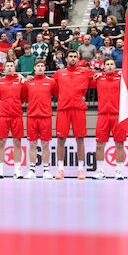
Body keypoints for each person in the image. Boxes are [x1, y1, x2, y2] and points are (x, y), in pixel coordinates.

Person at [51, 50, 99, 179]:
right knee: (61, 139)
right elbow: (51, 87)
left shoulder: (85, 71)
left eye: (75, 57)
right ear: (66, 59)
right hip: (63, 109)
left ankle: (80, 170)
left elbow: (101, 76)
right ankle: (60, 169)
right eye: (70, 56)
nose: (72, 58)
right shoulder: (59, 73)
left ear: (78, 59)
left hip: (78, 109)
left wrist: (118, 73)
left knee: (80, 139)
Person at [91, 57, 126, 180]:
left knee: (119, 144)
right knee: (99, 144)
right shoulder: (98, 78)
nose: (110, 66)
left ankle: (119, 172)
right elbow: (85, 80)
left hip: (118, 115)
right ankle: (100, 171)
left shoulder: (121, 78)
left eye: (112, 64)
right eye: (108, 64)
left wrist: (125, 75)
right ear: (104, 67)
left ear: (115, 66)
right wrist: (93, 77)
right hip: (103, 115)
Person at [21, 59, 56, 179]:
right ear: (34, 68)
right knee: (32, 144)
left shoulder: (51, 82)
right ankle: (32, 170)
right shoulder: (28, 83)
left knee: (45, 144)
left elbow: (58, 94)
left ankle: (46, 170)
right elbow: (23, 97)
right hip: (31, 116)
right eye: (38, 66)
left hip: (46, 117)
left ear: (45, 68)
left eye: (42, 66)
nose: (40, 68)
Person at [0, 60, 25, 179]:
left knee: (17, 142)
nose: (10, 68)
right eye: (8, 66)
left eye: (12, 66)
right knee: (1, 142)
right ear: (4, 68)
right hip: (3, 115)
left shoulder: (20, 81)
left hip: (17, 115)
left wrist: (15, 104)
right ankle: (0, 171)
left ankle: (17, 170)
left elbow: (24, 97)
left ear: (15, 68)